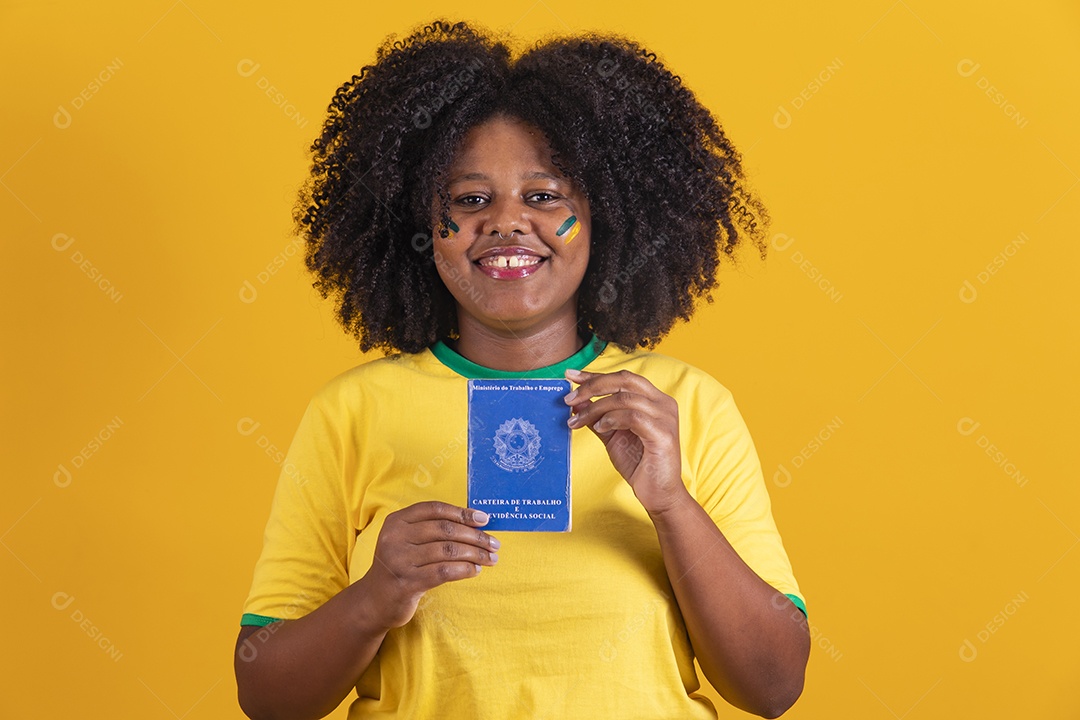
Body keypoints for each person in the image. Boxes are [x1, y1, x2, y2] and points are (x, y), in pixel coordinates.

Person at [234, 19, 809, 720]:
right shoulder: (351, 413)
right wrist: (374, 598)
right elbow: (266, 697)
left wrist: (671, 503)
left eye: (544, 196)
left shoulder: (686, 406)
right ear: (419, 226)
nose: (507, 222)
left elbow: (774, 686)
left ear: (607, 216)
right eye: (470, 200)